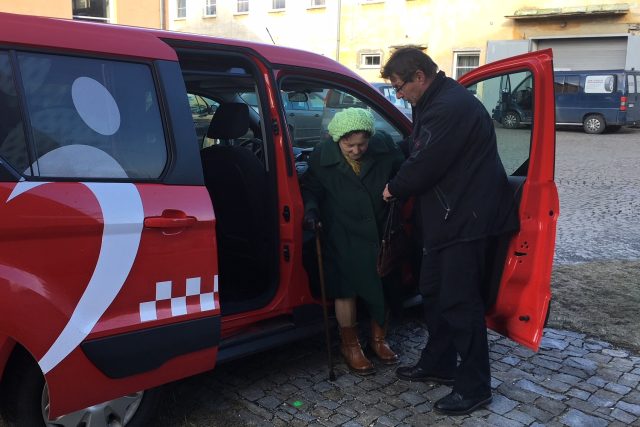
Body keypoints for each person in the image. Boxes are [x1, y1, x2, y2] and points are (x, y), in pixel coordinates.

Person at [381, 47, 519, 415]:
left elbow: (425, 161)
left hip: (465, 218)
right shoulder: (433, 101)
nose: (398, 94)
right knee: (433, 290)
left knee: (460, 301)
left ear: (419, 77)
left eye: (399, 86)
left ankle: (475, 386)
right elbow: (416, 145)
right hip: (446, 216)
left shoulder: (449, 106)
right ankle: (439, 362)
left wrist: (394, 187)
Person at [302, 107, 404, 375]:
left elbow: (404, 171)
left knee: (382, 282)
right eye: (350, 146)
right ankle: (350, 346)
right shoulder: (321, 157)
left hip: (379, 231)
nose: (357, 150)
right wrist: (311, 210)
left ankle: (379, 339)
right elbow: (311, 188)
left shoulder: (384, 147)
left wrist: (396, 188)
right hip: (342, 232)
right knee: (344, 288)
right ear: (337, 139)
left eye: (362, 144)